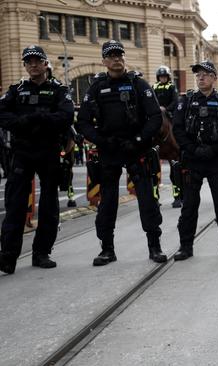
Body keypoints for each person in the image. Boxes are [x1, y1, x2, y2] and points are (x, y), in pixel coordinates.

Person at [77, 40, 167, 266]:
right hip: (109, 150)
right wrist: (101, 141)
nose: (116, 59)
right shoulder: (96, 87)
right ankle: (107, 249)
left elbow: (155, 117)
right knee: (108, 202)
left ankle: (154, 247)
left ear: (124, 58)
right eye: (111, 55)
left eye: (119, 55)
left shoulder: (138, 83)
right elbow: (84, 122)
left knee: (147, 199)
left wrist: (138, 140)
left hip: (137, 150)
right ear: (104, 61)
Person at [0, 45, 74, 274]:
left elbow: (66, 115)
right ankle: (8, 257)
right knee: (15, 205)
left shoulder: (59, 90)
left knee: (49, 205)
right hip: (23, 152)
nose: (33, 64)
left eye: (37, 60)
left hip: (49, 151)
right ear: (25, 65)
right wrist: (22, 122)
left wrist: (39, 118)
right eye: (28, 61)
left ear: (45, 64)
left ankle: (42, 253)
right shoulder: (16, 90)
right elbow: (2, 113)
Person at [172, 60, 218, 259]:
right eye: (198, 75)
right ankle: (185, 246)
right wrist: (192, 148)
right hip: (193, 160)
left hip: (216, 160)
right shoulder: (186, 101)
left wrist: (214, 149)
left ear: (214, 77)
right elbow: (177, 128)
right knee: (189, 206)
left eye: (205, 74)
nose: (201, 77)